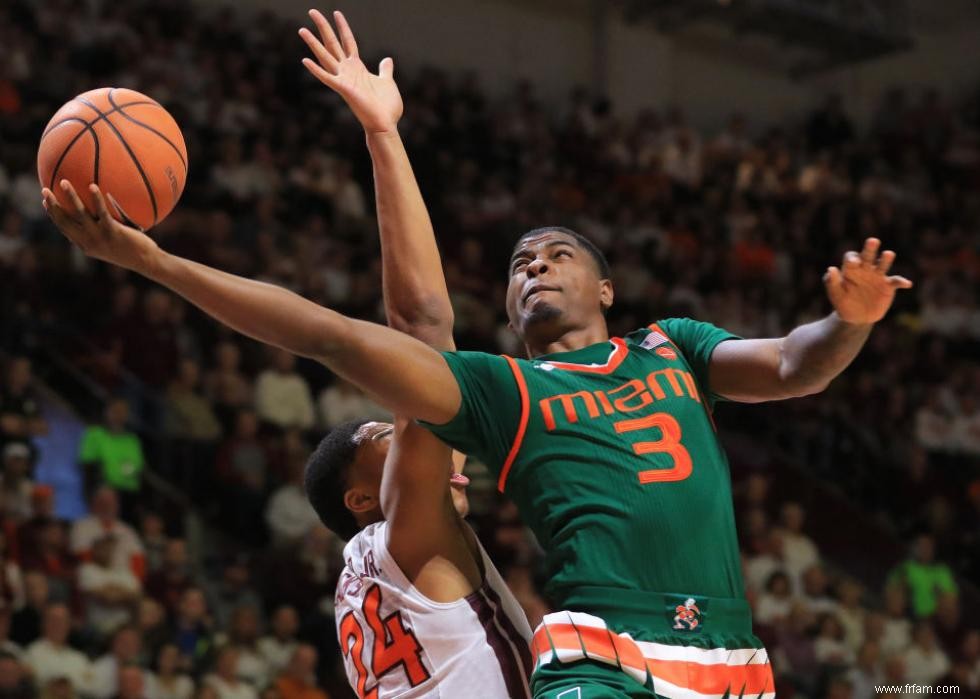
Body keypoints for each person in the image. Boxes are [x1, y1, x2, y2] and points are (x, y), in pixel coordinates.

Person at [43, 11, 913, 699]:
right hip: (599, 657)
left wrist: (854, 322)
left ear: (608, 288)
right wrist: (155, 262)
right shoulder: (501, 392)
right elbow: (350, 329)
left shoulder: (673, 345)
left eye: (557, 253)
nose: (534, 264)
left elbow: (799, 366)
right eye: (517, 263)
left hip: (731, 657)